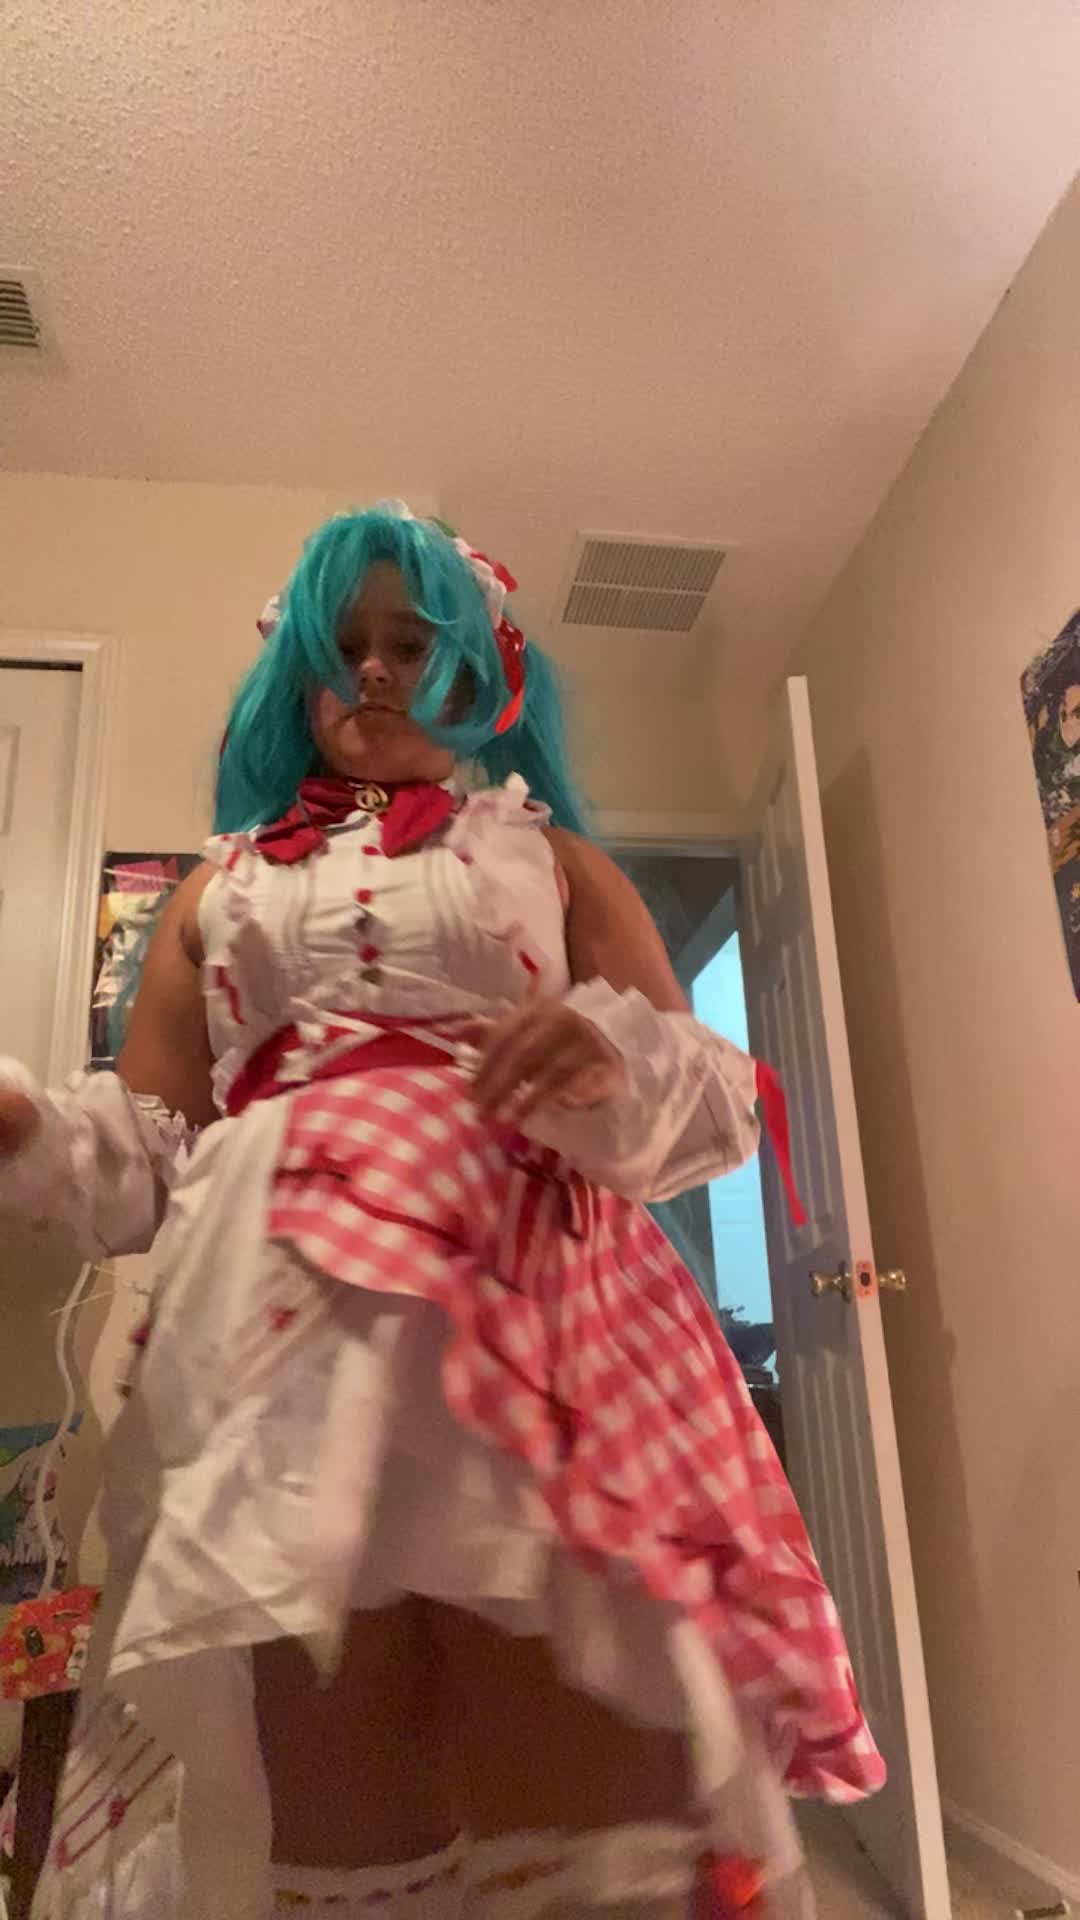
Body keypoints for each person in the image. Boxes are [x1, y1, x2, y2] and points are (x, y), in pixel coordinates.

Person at [0, 504, 883, 1920]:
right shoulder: (218, 890)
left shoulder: (554, 860)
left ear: (479, 665)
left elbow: (711, 1094)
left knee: (590, 1739)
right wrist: (33, 1133)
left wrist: (609, 1057)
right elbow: (149, 1157)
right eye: (339, 645)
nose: (372, 670)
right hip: (278, 1344)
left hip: (538, 1313)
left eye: (410, 645)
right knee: (335, 1761)